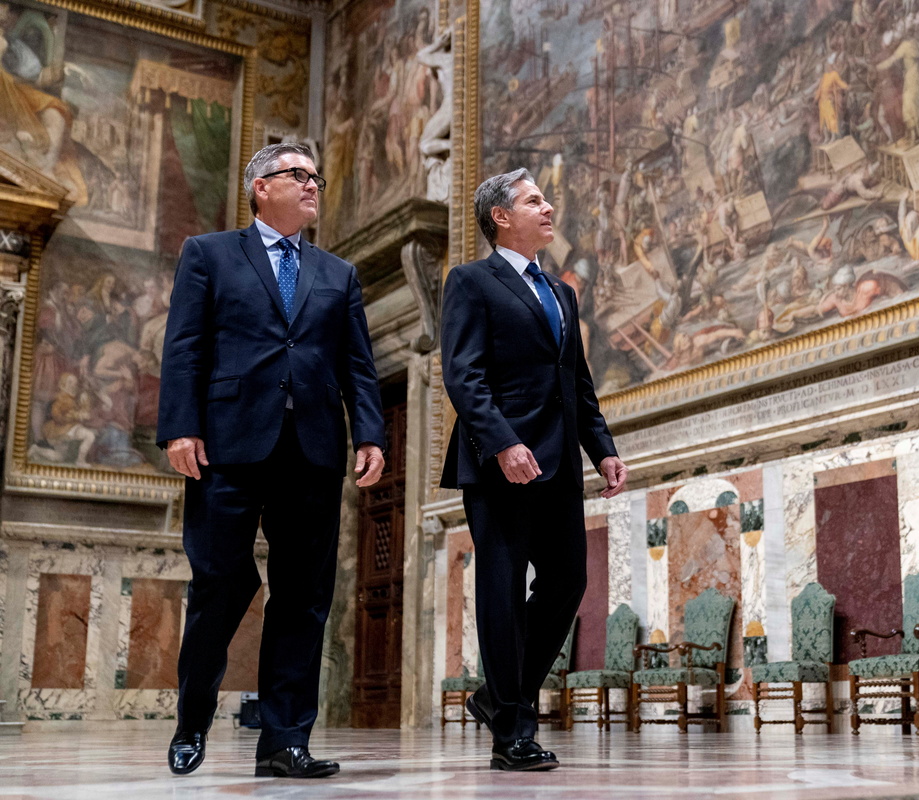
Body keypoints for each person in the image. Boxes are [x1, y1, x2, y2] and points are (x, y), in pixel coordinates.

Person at [157, 143, 385, 779]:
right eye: (297, 175)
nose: (312, 185)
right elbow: (185, 346)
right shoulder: (208, 254)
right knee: (219, 582)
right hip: (227, 443)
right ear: (260, 187)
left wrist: (370, 433)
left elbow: (358, 365)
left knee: (304, 596)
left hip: (312, 448)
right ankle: (193, 717)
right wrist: (180, 428)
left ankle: (285, 741)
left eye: (316, 178)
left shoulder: (338, 273)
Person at [440, 168, 628, 771]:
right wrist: (502, 443)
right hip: (502, 464)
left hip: (560, 461)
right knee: (501, 589)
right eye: (534, 201)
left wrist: (602, 448)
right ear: (500, 217)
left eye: (545, 200)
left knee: (568, 581)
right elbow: (463, 374)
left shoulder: (561, 293)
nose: (548, 208)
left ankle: (497, 695)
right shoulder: (471, 282)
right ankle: (512, 734)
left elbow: (577, 382)